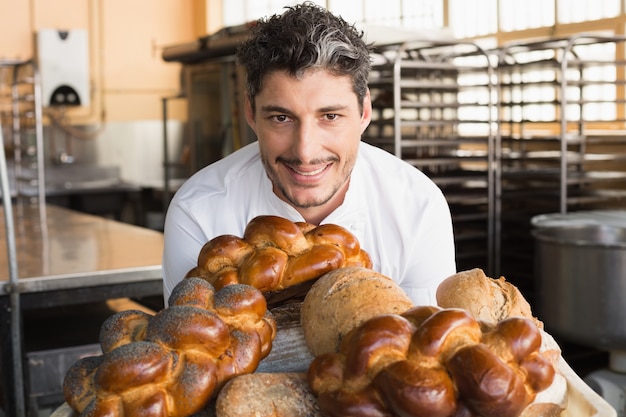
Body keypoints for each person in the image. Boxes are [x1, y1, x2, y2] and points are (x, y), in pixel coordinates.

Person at [162, 1, 456, 306]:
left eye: (329, 117)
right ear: (250, 113)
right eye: (281, 118)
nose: (305, 151)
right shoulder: (198, 211)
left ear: (364, 111)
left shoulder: (418, 207)